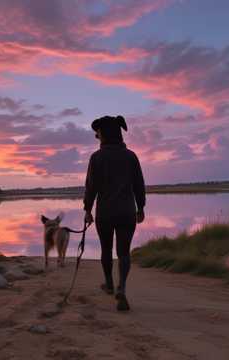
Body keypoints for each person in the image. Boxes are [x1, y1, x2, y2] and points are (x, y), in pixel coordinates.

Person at [83, 115, 146, 311]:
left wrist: (87, 209)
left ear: (104, 134)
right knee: (124, 252)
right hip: (127, 211)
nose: (97, 136)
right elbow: (139, 185)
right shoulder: (131, 156)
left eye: (98, 133)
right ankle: (122, 288)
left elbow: (91, 187)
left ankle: (109, 284)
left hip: (105, 213)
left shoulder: (97, 158)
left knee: (106, 250)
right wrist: (141, 207)